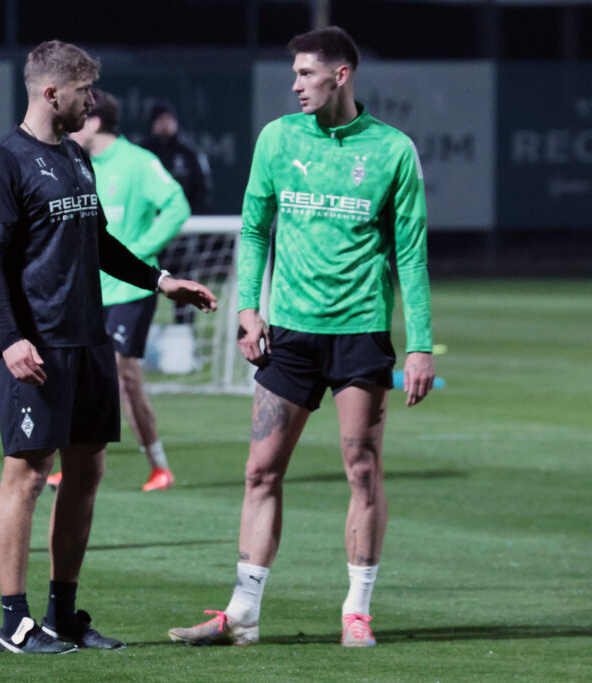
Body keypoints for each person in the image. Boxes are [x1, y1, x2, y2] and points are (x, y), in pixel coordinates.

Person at [168, 26, 435, 649]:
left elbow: (412, 255)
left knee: (362, 470)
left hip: (360, 332)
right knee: (260, 471)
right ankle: (242, 613)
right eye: (294, 74)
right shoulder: (278, 139)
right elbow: (254, 229)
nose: (295, 85)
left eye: (306, 74)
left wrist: (420, 343)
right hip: (288, 333)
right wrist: (249, 309)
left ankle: (357, 611)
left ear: (341, 75)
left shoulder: (392, 150)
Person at [0, 40, 216, 655]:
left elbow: (98, 241)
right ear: (52, 92)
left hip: (90, 337)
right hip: (38, 345)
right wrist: (10, 339)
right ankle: (14, 622)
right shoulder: (2, 163)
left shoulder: (77, 157)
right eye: (84, 91)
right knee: (28, 474)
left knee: (87, 470)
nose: (93, 102)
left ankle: (62, 615)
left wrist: (160, 281)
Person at [45, 89, 189, 493]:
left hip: (130, 292)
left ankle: (151, 467)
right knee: (95, 378)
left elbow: (177, 205)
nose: (70, 126)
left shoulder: (138, 162)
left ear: (94, 121)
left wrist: (139, 251)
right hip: (88, 293)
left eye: (78, 116)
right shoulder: (76, 162)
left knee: (119, 374)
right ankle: (140, 466)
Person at [141, 100, 215, 349]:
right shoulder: (142, 155)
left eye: (169, 119)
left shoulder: (189, 153)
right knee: (144, 288)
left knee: (186, 290)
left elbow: (203, 193)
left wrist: (193, 226)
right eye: (160, 120)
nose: (165, 124)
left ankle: (184, 345)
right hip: (151, 238)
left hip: (183, 238)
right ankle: (143, 344)